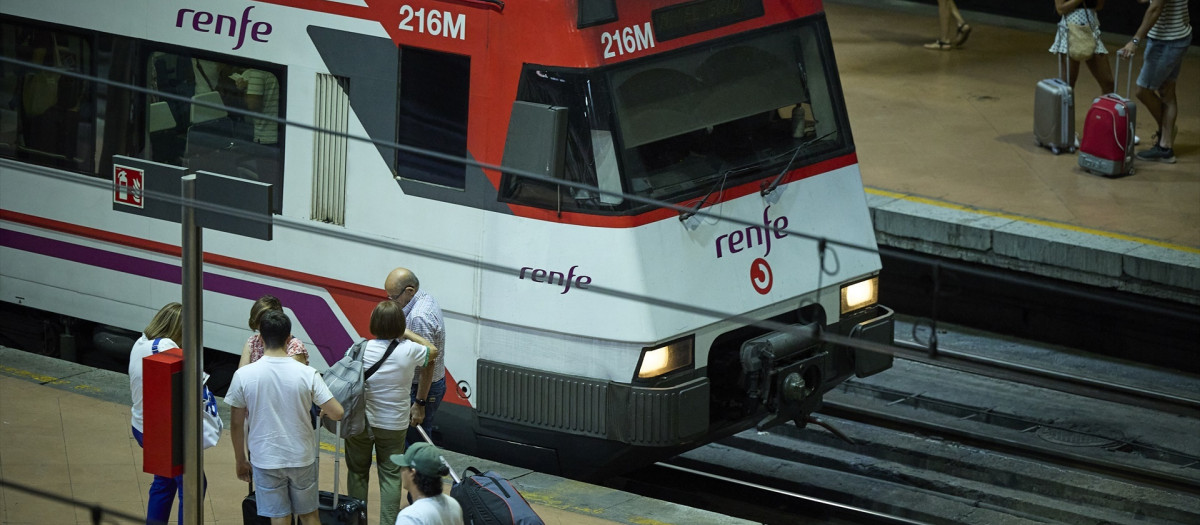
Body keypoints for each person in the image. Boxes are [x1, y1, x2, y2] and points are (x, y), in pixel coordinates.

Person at [226, 310, 344, 525]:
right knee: (309, 515)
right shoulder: (307, 373)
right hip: (301, 457)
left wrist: (241, 459)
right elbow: (338, 412)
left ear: (260, 338)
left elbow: (235, 423)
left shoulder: (243, 375)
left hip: (265, 458)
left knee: (279, 516)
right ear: (289, 339)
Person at [346, 300, 440, 525]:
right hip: (393, 425)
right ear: (400, 325)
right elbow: (433, 351)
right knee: (390, 476)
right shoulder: (409, 350)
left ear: (373, 323)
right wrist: (406, 333)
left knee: (357, 473)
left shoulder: (359, 348)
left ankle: (357, 521)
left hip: (361, 422)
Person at [128, 302, 203, 525]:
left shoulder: (142, 341)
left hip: (143, 425)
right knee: (193, 486)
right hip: (161, 432)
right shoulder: (165, 349)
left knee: (165, 481)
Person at [385, 267, 448, 450]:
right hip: (428, 384)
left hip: (421, 389)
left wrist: (419, 403)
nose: (392, 301)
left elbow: (427, 362)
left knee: (416, 446)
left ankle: (421, 478)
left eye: (393, 297)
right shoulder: (424, 297)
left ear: (409, 291)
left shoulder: (419, 318)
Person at [1120, 0, 1191, 163]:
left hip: (1167, 41)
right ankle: (1165, 146)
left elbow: (1156, 8)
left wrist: (1135, 40)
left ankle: (1166, 134)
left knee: (1142, 90)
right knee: (1167, 91)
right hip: (1177, 36)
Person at [1050, 0, 1116, 93]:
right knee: (1068, 85)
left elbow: (1099, 6)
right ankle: (1066, 107)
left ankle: (1102, 107)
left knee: (1108, 83)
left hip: (1091, 32)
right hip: (1069, 31)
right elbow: (1060, 9)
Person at [393, 443, 464, 525]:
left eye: (403, 468)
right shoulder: (453, 504)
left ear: (412, 473)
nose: (401, 471)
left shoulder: (410, 517)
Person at [238, 294, 308, 367]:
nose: (264, 325)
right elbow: (242, 374)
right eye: (260, 321)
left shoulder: (295, 346)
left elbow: (289, 375)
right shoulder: (252, 342)